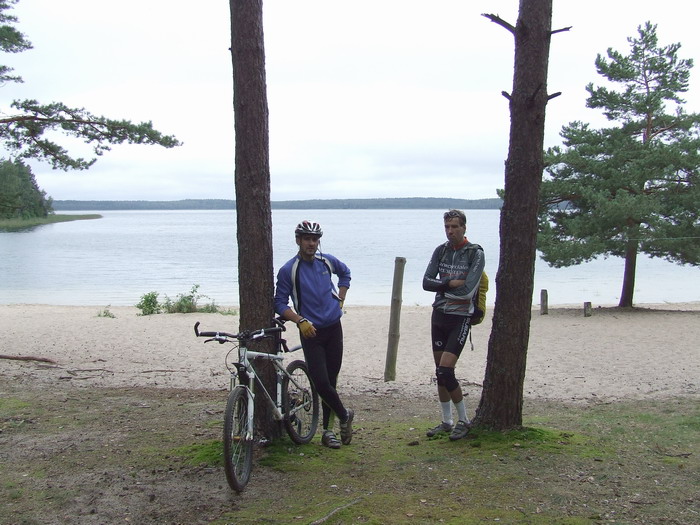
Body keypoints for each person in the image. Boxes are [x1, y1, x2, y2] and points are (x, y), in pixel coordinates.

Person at [274, 220, 354, 449]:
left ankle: (328, 432)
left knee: (331, 381)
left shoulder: (326, 261)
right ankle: (345, 415)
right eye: (307, 239)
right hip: (311, 332)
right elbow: (279, 303)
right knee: (320, 382)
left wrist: (341, 298)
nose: (311, 243)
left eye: (315, 239)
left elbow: (345, 273)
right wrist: (299, 320)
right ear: (298, 240)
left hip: (334, 328)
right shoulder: (289, 269)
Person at [422, 209, 485, 441]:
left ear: (464, 227)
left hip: (460, 317)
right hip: (439, 315)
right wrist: (450, 283)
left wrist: (441, 287)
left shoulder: (475, 253)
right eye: (447, 227)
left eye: (455, 227)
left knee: (446, 371)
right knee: (440, 372)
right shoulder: (441, 250)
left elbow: (467, 290)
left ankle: (464, 420)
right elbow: (426, 282)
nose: (450, 231)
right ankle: (446, 421)